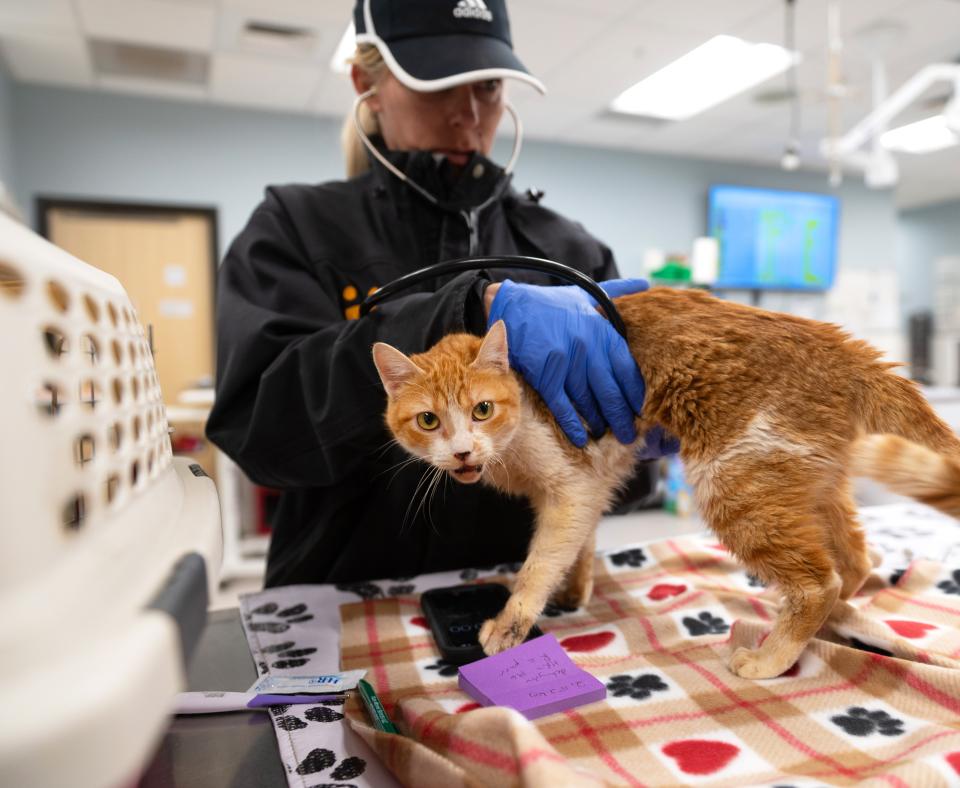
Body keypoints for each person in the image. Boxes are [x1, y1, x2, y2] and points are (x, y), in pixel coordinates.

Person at [206, 0, 674, 588]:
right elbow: (263, 431)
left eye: (489, 87)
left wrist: (641, 443)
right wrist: (461, 311)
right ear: (366, 84)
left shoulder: (571, 255)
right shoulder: (296, 227)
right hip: (347, 596)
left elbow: (613, 484)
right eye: (439, 86)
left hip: (527, 589)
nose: (469, 115)